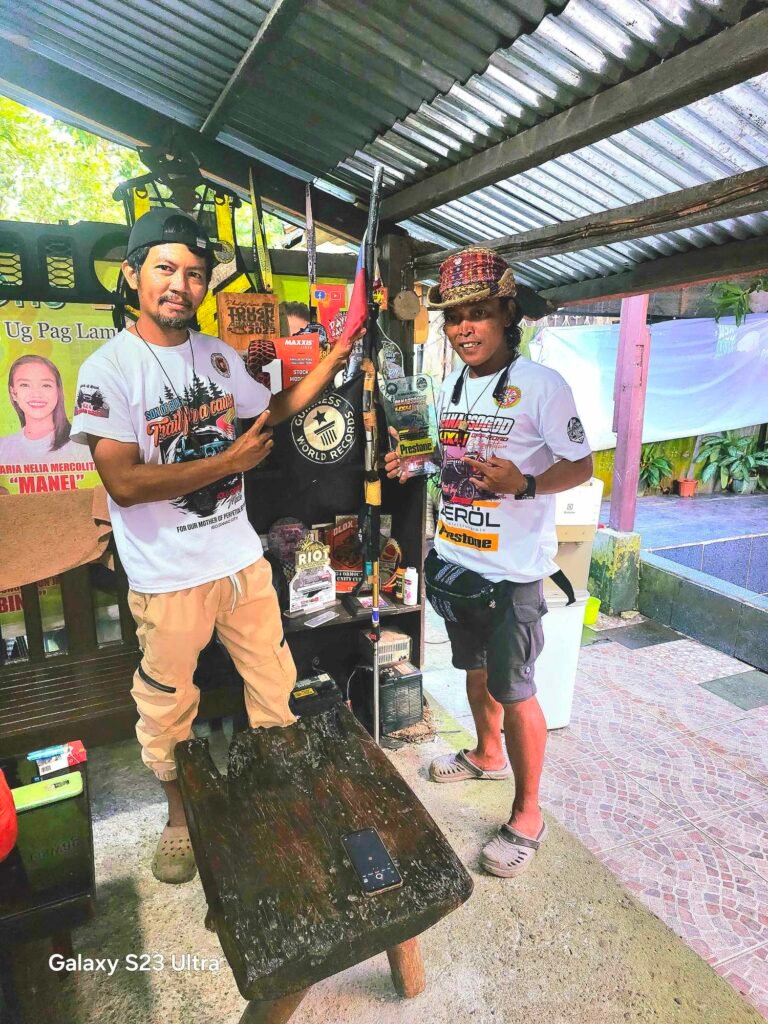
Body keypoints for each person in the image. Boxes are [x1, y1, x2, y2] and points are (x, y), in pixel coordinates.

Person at [71, 208, 356, 884]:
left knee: (276, 689)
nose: (181, 284)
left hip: (241, 566)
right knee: (167, 709)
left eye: (195, 274)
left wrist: (333, 359)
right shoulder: (108, 370)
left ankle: (281, 799)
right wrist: (228, 463)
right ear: (133, 274)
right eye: (166, 268)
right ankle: (179, 819)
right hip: (168, 580)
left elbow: (271, 411)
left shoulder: (218, 355)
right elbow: (124, 482)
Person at [385, 247, 592, 879]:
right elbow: (452, 458)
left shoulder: (543, 386)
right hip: (456, 560)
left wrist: (524, 484)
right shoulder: (452, 384)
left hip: (511, 576)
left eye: (476, 314)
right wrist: (417, 462)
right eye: (453, 318)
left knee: (516, 690)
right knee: (474, 671)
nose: (463, 328)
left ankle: (528, 814)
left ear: (507, 314)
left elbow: (581, 465)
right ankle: (486, 753)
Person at [0, 355, 89, 463]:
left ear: (58, 391)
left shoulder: (82, 446)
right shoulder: (3, 448)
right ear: (13, 393)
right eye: (25, 385)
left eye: (46, 385)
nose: (36, 394)